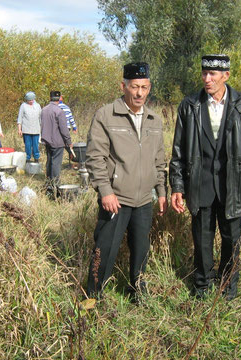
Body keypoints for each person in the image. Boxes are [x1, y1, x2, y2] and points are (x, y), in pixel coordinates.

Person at [169, 54, 241, 300]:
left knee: (231, 241)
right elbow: (178, 151)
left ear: (226, 76)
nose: (207, 79)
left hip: (233, 186)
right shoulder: (189, 105)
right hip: (199, 185)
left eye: (213, 74)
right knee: (202, 241)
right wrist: (177, 186)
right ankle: (202, 288)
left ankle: (227, 289)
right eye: (204, 73)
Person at [85, 62, 168, 299]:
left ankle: (138, 293)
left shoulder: (154, 120)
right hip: (116, 198)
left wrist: (161, 191)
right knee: (105, 250)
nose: (139, 93)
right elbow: (95, 157)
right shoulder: (106, 115)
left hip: (143, 200)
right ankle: (93, 296)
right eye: (134, 87)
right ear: (123, 86)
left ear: (149, 87)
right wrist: (105, 191)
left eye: (144, 87)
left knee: (141, 250)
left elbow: (159, 159)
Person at [40, 91, 72, 192]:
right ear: (59, 98)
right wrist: (69, 141)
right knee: (56, 163)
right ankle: (55, 185)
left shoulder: (43, 110)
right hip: (57, 141)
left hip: (46, 140)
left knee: (49, 161)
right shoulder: (59, 111)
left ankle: (48, 182)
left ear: (50, 97)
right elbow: (64, 129)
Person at [17, 91, 42, 162]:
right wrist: (19, 129)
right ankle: (28, 158)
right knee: (28, 145)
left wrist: (42, 128)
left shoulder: (37, 106)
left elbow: (40, 117)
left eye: (32, 100)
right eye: (29, 100)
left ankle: (36, 158)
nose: (31, 101)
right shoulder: (23, 106)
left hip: (36, 130)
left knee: (35, 146)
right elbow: (20, 118)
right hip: (26, 130)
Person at [58, 95, 78, 168]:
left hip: (58, 128)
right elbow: (71, 118)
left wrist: (74, 127)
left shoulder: (54, 107)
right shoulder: (66, 107)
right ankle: (72, 155)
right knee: (66, 143)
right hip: (67, 128)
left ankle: (71, 156)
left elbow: (70, 117)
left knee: (60, 144)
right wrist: (74, 127)